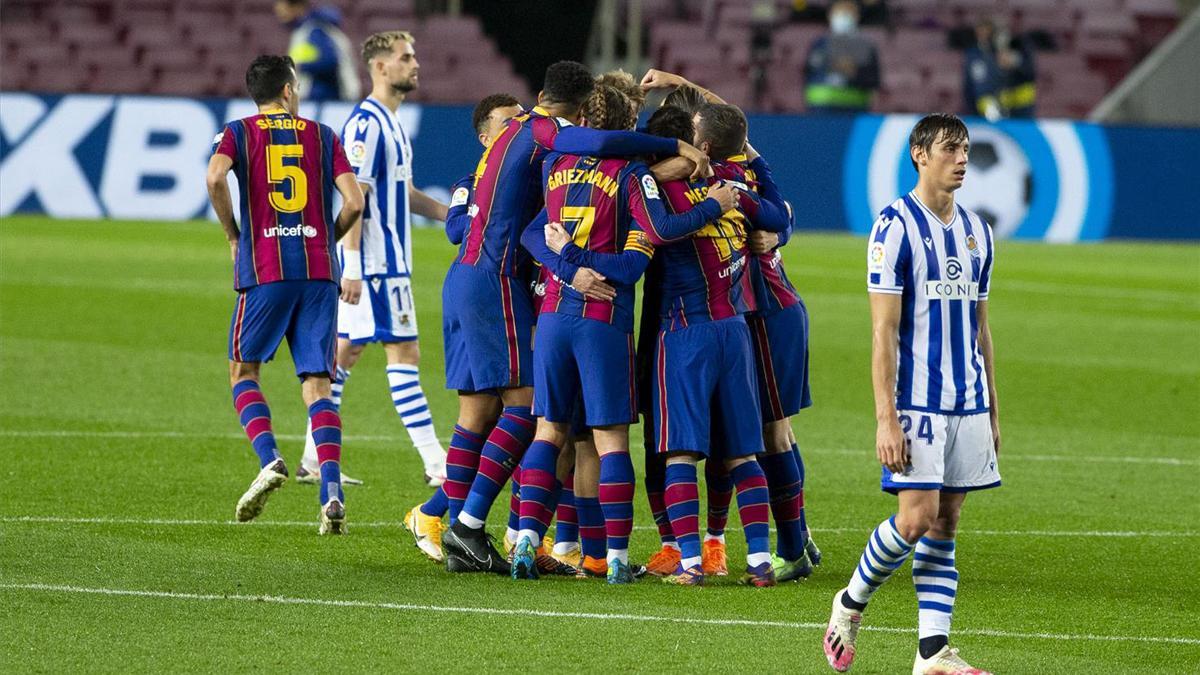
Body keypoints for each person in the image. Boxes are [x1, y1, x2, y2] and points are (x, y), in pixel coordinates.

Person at [439, 61, 712, 575]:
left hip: (485, 278)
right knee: (534, 413)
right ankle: (468, 526)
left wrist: (565, 262)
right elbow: (609, 152)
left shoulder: (532, 142)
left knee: (493, 413)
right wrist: (677, 150)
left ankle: (481, 529)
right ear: (582, 107)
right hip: (502, 278)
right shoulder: (549, 132)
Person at [511, 84, 737, 583]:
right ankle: (615, 558)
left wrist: (566, 265)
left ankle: (526, 538)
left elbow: (531, 233)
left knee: (549, 429)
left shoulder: (555, 165)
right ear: (627, 127)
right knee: (610, 440)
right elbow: (637, 261)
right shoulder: (633, 175)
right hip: (602, 321)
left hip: (553, 315)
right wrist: (711, 206)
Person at [822, 113, 999, 675]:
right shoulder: (894, 226)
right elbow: (882, 330)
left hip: (969, 400)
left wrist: (993, 409)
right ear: (920, 154)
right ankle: (850, 602)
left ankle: (932, 653)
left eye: (965, 148)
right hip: (917, 401)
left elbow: (981, 327)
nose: (962, 159)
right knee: (915, 519)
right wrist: (886, 417)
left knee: (947, 522)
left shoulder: (978, 231)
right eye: (950, 149)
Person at [205, 55, 364, 534]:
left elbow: (214, 177)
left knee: (243, 371)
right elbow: (355, 201)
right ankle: (331, 493)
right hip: (319, 272)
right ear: (289, 90)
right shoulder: (323, 135)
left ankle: (270, 458)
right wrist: (328, 238)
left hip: (266, 269)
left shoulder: (237, 132)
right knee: (318, 385)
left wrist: (234, 234)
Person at [640, 103, 791, 587]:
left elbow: (648, 216)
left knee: (680, 453)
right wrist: (770, 223)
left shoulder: (660, 188)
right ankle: (760, 561)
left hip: (684, 332)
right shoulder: (735, 187)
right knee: (743, 454)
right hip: (735, 331)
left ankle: (689, 563)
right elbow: (777, 213)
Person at [296, 31, 450, 489]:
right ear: (380, 67)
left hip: (382, 261)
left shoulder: (392, 121)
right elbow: (354, 198)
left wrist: (452, 214)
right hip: (377, 264)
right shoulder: (366, 124)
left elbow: (404, 193)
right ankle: (436, 461)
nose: (415, 64)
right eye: (406, 57)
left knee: (345, 352)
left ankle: (312, 456)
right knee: (404, 352)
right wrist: (353, 266)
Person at [401, 92, 523, 564]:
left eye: (521, 120)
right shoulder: (471, 183)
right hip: (482, 294)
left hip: (489, 293)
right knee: (505, 411)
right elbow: (455, 229)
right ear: (485, 137)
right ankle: (451, 519)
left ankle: (435, 514)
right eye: (506, 123)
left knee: (484, 414)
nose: (517, 129)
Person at [274, 0, 360, 102]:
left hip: (324, 100)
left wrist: (299, 66)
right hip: (320, 100)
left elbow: (329, 62)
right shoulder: (306, 29)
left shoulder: (315, 30)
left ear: (297, 7)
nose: (278, 11)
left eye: (282, 7)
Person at [803, 0, 880, 113]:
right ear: (830, 15)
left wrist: (854, 73)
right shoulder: (820, 44)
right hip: (821, 111)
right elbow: (809, 73)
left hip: (855, 112)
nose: (843, 16)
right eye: (839, 12)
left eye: (848, 11)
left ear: (857, 16)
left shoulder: (866, 46)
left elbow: (873, 80)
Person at [963, 19, 1036, 121]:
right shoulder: (979, 54)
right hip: (990, 105)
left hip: (1019, 110)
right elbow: (978, 83)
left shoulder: (1020, 47)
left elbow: (1030, 74)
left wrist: (1016, 62)